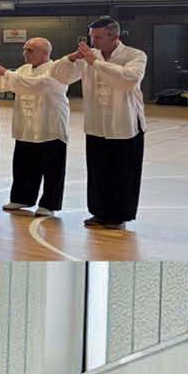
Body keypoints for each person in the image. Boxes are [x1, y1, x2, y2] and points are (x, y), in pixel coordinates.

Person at [67, 17, 147, 232]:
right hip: (96, 123)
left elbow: (128, 79)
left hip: (125, 124)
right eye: (92, 37)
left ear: (115, 36)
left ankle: (119, 215)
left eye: (98, 37)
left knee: (123, 172)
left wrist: (95, 62)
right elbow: (61, 77)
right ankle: (99, 212)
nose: (93, 41)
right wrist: (72, 58)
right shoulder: (88, 57)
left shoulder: (135, 55)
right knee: (98, 171)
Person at [0, 37, 80, 217]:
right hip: (26, 126)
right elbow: (4, 84)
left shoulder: (57, 69)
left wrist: (5, 72)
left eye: (29, 50)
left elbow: (38, 85)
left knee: (52, 168)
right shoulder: (24, 69)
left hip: (50, 125)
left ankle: (49, 204)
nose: (25, 53)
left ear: (45, 53)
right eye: (24, 49)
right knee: (24, 164)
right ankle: (22, 198)